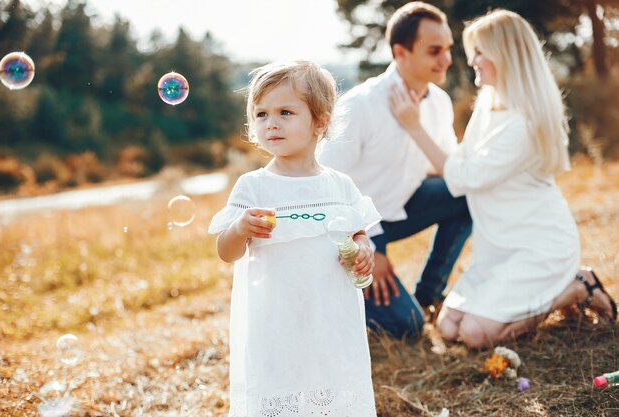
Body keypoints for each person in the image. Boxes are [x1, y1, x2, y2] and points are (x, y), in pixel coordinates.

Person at [388, 9, 618, 349]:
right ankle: (556, 290)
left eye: (480, 52)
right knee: (449, 327)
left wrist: (413, 126)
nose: (472, 60)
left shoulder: (525, 123)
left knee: (476, 335)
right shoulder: (489, 104)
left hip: (537, 248)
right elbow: (459, 159)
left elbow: (464, 177)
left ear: (505, 55)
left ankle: (575, 287)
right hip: (498, 248)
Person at [208, 61, 381, 417]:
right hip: (275, 319)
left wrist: (364, 248)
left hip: (329, 316)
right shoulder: (254, 187)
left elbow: (359, 232)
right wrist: (240, 228)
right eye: (261, 114)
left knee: (329, 377)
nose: (270, 123)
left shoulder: (339, 186)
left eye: (285, 112)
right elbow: (226, 251)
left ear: (321, 121)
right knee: (281, 383)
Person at [318, 1, 472, 340]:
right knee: (407, 328)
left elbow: (451, 170)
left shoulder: (440, 102)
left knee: (468, 194)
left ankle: (429, 295)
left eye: (447, 48)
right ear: (401, 52)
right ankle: (335, 302)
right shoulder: (360, 105)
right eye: (434, 50)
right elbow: (323, 185)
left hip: (401, 207)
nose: (446, 59)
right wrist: (372, 245)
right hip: (353, 227)